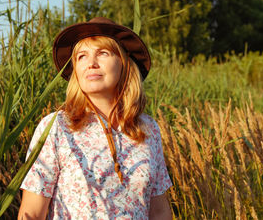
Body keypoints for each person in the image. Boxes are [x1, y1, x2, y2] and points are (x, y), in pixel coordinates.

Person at [18, 17, 172, 219]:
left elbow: (159, 212)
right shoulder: (57, 127)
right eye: (82, 56)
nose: (91, 63)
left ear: (124, 63)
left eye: (103, 53)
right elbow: (32, 213)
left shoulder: (148, 129)